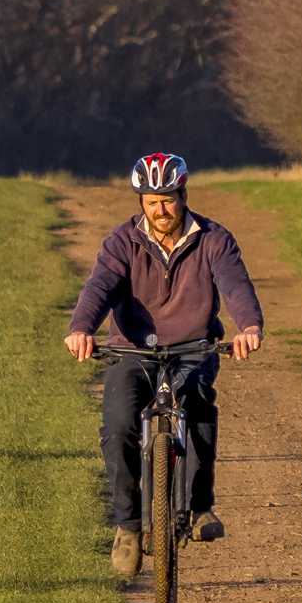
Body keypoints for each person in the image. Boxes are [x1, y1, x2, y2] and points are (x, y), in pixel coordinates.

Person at [64, 150, 265, 574]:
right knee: (118, 424)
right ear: (140, 201)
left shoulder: (213, 238)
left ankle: (199, 508)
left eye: (168, 198)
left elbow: (236, 285)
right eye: (152, 200)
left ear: (183, 194)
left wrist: (248, 327)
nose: (161, 209)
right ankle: (129, 527)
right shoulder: (122, 242)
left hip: (193, 348)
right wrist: (82, 327)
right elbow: (99, 286)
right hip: (132, 350)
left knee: (198, 408)